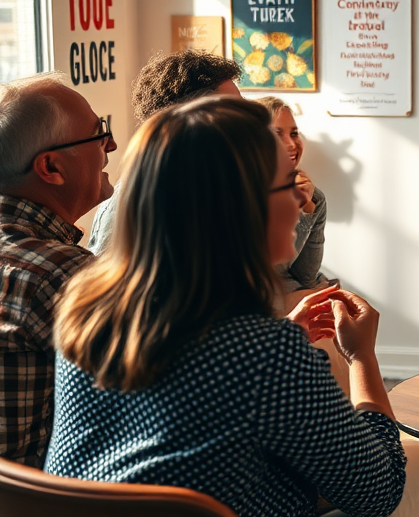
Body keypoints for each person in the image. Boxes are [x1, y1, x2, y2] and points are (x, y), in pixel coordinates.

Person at [45, 98, 419, 517]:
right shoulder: (263, 353)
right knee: (418, 465)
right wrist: (364, 361)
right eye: (290, 184)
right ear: (241, 208)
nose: (303, 199)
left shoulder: (85, 314)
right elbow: (377, 490)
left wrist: (282, 336)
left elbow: (188, 389)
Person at [0, 74, 117, 466]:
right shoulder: (63, 274)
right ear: (51, 167)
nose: (111, 145)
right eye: (98, 133)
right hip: (44, 516)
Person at [87, 49, 242, 253]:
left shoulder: (221, 180)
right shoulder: (132, 202)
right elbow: (107, 280)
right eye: (236, 111)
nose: (248, 120)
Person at [256, 96, 328, 302]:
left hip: (286, 293)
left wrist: (306, 208)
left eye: (294, 133)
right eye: (277, 134)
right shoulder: (239, 192)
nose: (291, 144)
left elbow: (306, 276)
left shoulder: (314, 197)